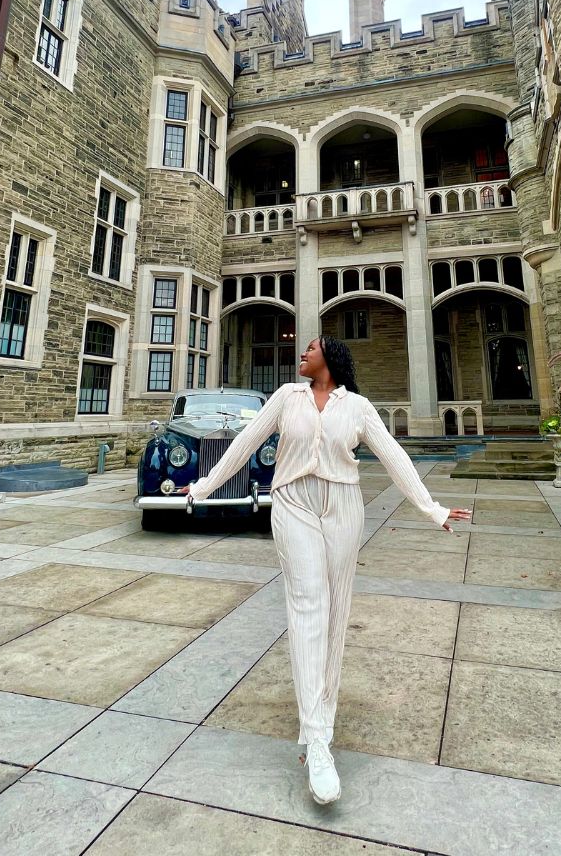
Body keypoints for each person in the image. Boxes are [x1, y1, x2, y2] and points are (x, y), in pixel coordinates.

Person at [179, 336, 471, 805]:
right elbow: (244, 444)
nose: (302, 353)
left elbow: (394, 454)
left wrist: (431, 508)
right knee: (308, 606)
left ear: (329, 359)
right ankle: (316, 741)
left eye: (310, 348)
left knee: (336, 614)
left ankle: (324, 721)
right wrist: (204, 487)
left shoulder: (355, 406)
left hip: (343, 508)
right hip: (293, 503)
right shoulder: (285, 398)